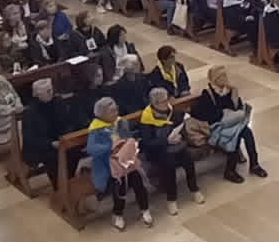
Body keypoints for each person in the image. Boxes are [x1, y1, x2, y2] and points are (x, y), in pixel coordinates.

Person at [84, 97, 154, 231]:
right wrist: (110, 147)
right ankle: (118, 214)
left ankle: (145, 210)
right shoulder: (96, 129)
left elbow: (128, 137)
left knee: (138, 181)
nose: (116, 113)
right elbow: (91, 149)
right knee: (120, 186)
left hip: (127, 160)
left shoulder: (122, 122)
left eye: (116, 109)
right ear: (102, 114)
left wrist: (129, 143)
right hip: (109, 165)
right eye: (112, 111)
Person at [189, 66, 267, 181]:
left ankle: (254, 164)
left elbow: (237, 107)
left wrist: (234, 94)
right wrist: (223, 113)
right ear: (215, 79)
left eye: (225, 75)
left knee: (248, 133)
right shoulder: (207, 94)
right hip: (218, 126)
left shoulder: (229, 90)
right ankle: (230, 171)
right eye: (222, 76)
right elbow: (204, 115)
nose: (225, 78)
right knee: (234, 137)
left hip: (232, 123)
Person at [136, 87, 204, 214]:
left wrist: (180, 136)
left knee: (188, 160)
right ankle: (171, 199)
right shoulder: (147, 118)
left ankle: (194, 189)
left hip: (176, 145)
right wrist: (166, 141)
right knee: (169, 165)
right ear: (155, 103)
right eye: (163, 101)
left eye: (167, 99)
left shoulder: (172, 111)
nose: (167, 103)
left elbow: (181, 127)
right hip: (158, 151)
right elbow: (147, 143)